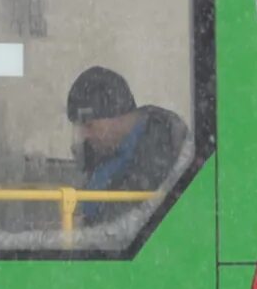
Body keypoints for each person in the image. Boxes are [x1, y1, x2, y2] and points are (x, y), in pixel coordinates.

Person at [64, 65, 189, 230]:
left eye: (89, 125)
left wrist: (87, 231)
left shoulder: (163, 150)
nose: (84, 136)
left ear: (117, 115)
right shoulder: (102, 148)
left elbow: (127, 227)